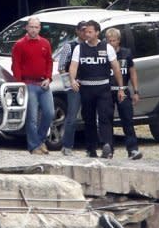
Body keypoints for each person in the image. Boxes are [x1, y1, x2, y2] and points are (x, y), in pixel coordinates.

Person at [68, 20, 124, 159]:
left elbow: (116, 68)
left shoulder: (107, 48)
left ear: (97, 33)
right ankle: (91, 149)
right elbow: (73, 66)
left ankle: (107, 145)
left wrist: (121, 87)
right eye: (86, 32)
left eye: (90, 32)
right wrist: (72, 80)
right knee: (89, 119)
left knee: (105, 116)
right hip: (86, 88)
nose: (87, 34)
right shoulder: (79, 48)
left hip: (103, 87)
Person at [11, 17, 54, 155]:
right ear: (27, 28)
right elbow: (15, 65)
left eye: (36, 27)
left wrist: (48, 77)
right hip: (28, 84)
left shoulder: (45, 43)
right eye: (31, 27)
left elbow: (49, 61)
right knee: (32, 118)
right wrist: (20, 84)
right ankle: (34, 146)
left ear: (40, 28)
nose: (34, 30)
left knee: (49, 113)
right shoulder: (19, 44)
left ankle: (40, 140)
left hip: (43, 83)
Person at [105, 28, 143, 160]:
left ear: (118, 41)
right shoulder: (104, 54)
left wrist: (136, 91)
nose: (111, 43)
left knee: (127, 119)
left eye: (114, 40)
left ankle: (132, 149)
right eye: (109, 41)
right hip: (108, 90)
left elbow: (132, 72)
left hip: (123, 88)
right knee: (107, 120)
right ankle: (108, 148)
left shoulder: (126, 53)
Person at [58, 21, 88, 156]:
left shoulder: (92, 45)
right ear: (77, 31)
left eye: (87, 30)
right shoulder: (69, 46)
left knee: (91, 115)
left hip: (89, 84)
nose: (85, 33)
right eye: (82, 30)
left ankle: (91, 146)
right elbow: (61, 67)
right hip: (74, 85)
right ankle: (67, 145)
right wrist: (70, 83)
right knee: (72, 116)